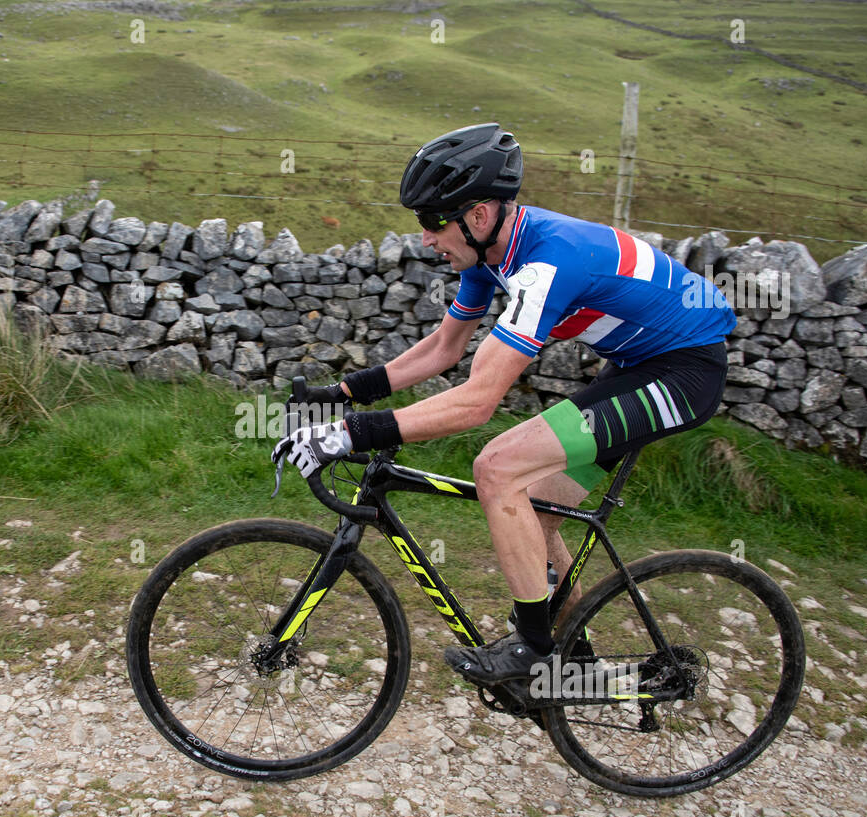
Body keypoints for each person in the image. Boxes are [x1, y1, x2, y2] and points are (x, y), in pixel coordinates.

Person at [272, 122, 735, 686]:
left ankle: (535, 652)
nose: (425, 238)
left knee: (497, 466)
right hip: (638, 367)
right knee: (535, 509)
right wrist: (344, 394)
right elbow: (444, 349)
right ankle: (573, 662)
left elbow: (478, 402)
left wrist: (350, 434)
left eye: (432, 220)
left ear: (479, 214)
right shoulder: (490, 255)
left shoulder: (547, 262)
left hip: (683, 374)